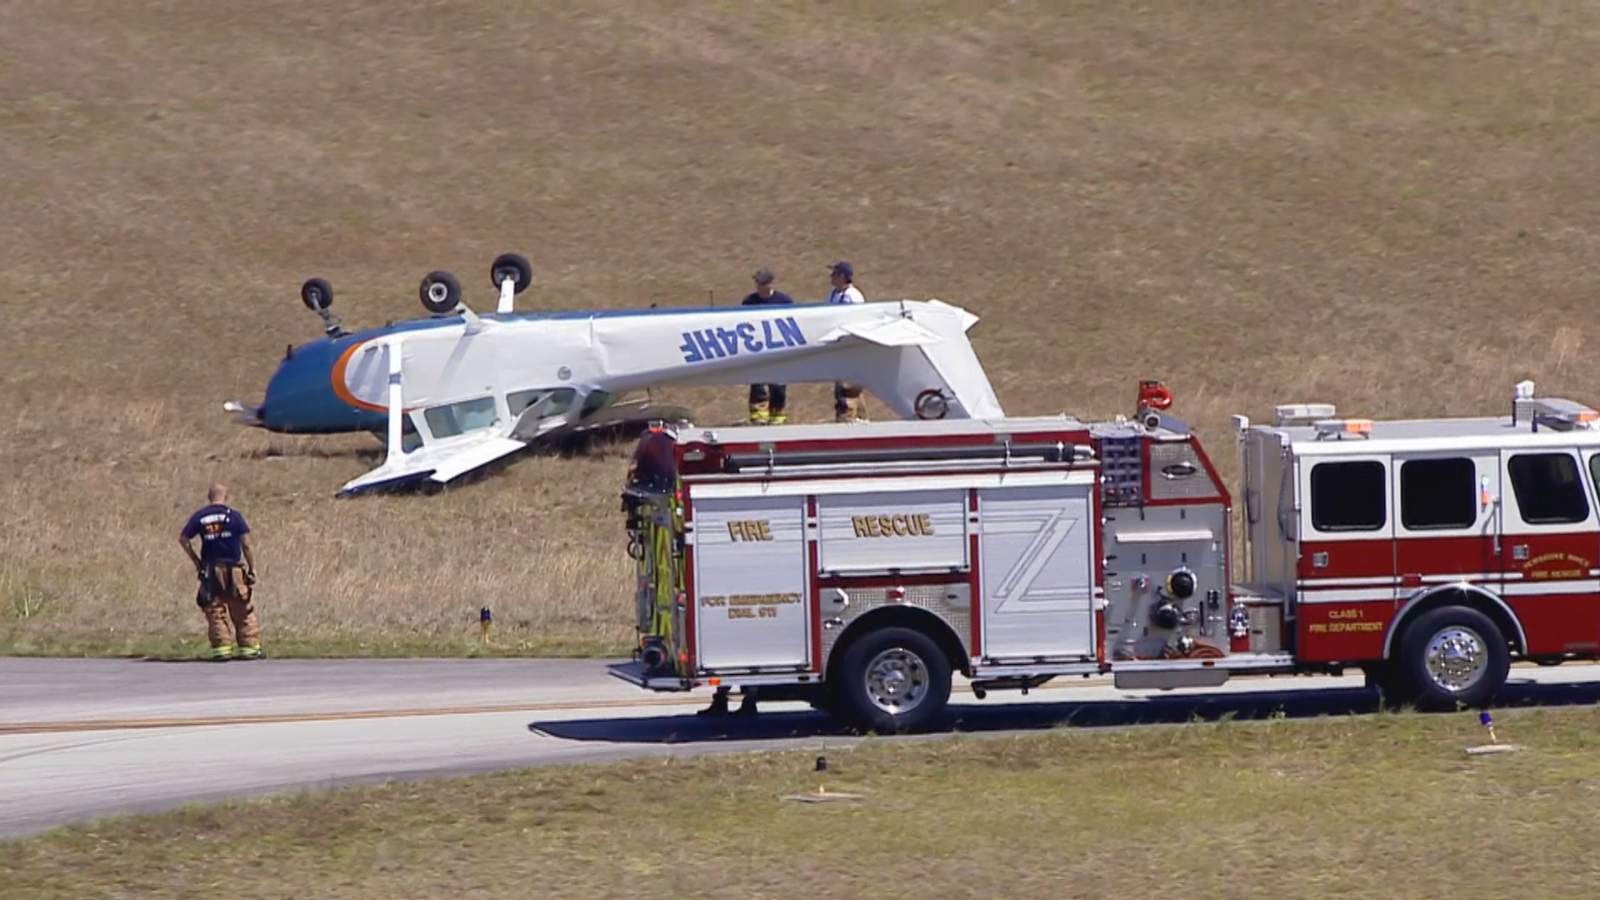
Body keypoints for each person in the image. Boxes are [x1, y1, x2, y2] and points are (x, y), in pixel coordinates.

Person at [178, 483, 261, 661]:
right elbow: (246, 544)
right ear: (226, 496)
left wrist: (196, 562)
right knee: (241, 607)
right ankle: (249, 648)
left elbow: (183, 539)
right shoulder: (234, 516)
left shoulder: (200, 516)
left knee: (215, 608)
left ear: (209, 497)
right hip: (234, 569)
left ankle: (222, 649)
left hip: (211, 569)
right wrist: (252, 568)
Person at [741, 268, 795, 424]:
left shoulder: (784, 302)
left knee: (778, 385)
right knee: (758, 384)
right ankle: (758, 417)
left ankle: (778, 417)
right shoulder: (749, 302)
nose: (758, 285)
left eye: (761, 282)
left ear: (769, 284)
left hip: (778, 350)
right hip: (756, 350)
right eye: (757, 282)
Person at [825, 261, 867, 422]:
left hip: (850, 347)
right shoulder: (834, 294)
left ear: (842, 276)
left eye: (834, 274)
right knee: (846, 384)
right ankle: (860, 417)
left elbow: (857, 321)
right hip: (837, 346)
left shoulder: (853, 297)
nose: (831, 277)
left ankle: (846, 419)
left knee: (847, 386)